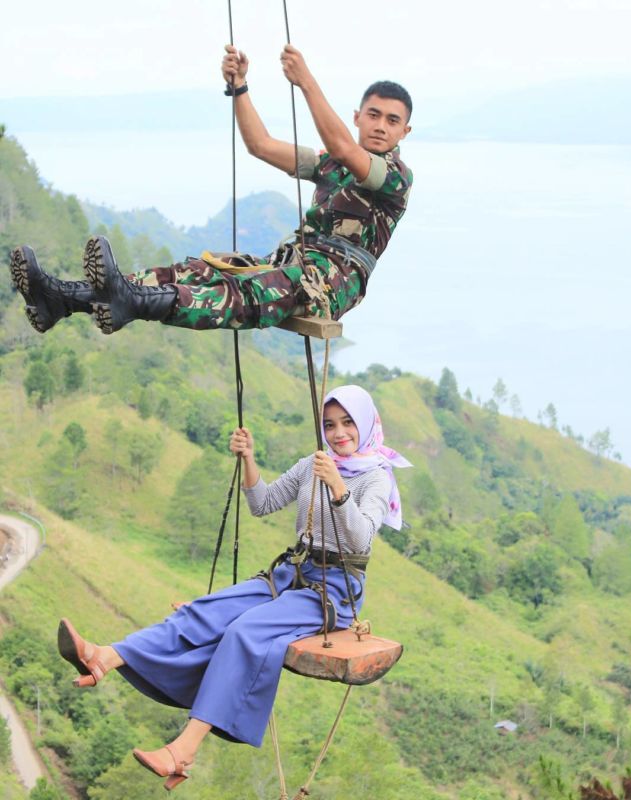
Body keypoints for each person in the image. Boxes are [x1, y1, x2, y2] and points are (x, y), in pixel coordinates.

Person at [57, 385, 410, 790]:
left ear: (365, 425)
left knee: (246, 632)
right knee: (204, 610)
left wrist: (338, 490)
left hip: (333, 593)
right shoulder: (314, 464)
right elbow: (263, 503)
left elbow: (360, 540)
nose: (338, 433)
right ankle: (105, 657)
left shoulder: (375, 478)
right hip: (293, 575)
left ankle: (184, 750)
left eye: (347, 423)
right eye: (329, 424)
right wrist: (249, 460)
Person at [10, 44, 413, 335]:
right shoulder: (330, 162)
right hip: (293, 261)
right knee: (202, 270)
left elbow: (345, 146)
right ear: (357, 116)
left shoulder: (394, 177)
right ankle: (61, 298)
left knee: (243, 293)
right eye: (373, 115)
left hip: (332, 280)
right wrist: (239, 88)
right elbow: (261, 145)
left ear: (404, 131)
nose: (380, 126)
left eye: (392, 121)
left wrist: (306, 82)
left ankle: (126, 302)